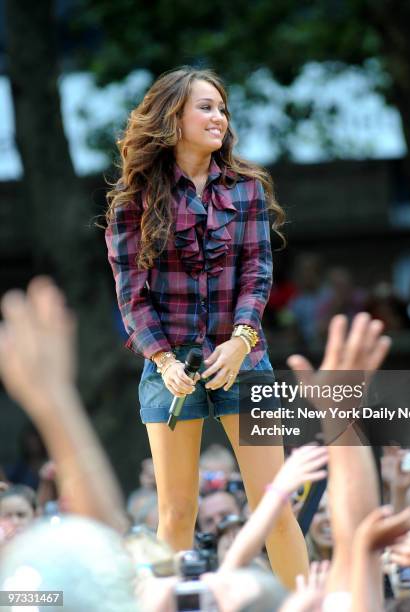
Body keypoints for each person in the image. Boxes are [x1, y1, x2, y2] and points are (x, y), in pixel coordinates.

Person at [104, 66, 310, 588]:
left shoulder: (246, 189)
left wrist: (242, 340)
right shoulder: (133, 202)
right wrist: (164, 360)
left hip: (245, 360)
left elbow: (258, 273)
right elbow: (133, 297)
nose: (219, 117)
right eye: (206, 107)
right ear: (173, 116)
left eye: (222, 108)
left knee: (274, 507)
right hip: (170, 367)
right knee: (175, 514)